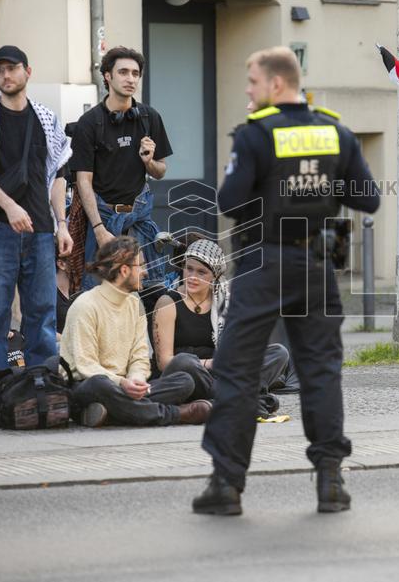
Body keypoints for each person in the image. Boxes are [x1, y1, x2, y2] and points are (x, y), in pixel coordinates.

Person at [192, 46, 380, 516]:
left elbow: (230, 201)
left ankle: (226, 485)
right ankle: (331, 480)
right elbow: (369, 199)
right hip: (318, 260)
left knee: (237, 369)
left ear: (276, 84)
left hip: (262, 260)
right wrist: (321, 185)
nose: (248, 89)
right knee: (320, 370)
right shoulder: (335, 132)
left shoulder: (256, 134)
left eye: (253, 82)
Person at [0, 45, 73, 378]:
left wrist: (62, 224)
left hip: (41, 229)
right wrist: (9, 206)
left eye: (11, 68)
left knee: (42, 314)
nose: (5, 76)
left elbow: (58, 174)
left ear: (28, 71)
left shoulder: (46, 117)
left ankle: (42, 388)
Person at [60, 236, 212, 427]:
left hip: (125, 385)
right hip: (86, 385)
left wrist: (136, 379)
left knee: (184, 381)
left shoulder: (134, 303)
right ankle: (178, 414)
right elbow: (86, 366)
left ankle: (111, 414)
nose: (146, 272)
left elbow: (140, 356)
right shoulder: (86, 305)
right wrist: (122, 383)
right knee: (100, 384)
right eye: (141, 266)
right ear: (124, 270)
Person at [70, 46, 172, 286]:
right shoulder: (90, 123)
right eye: (123, 72)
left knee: (146, 290)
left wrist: (149, 161)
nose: (131, 79)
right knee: (97, 291)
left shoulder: (149, 117)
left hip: (138, 217)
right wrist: (98, 229)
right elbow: (83, 181)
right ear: (108, 76)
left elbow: (161, 171)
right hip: (103, 218)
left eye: (135, 73)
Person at [153, 238, 289, 403]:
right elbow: (164, 362)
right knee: (184, 361)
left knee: (278, 353)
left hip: (221, 373)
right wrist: (210, 364)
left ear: (215, 275)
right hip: (190, 374)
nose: (192, 277)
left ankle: (228, 396)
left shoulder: (225, 300)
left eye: (201, 272)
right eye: (189, 269)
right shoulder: (168, 302)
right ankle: (241, 396)